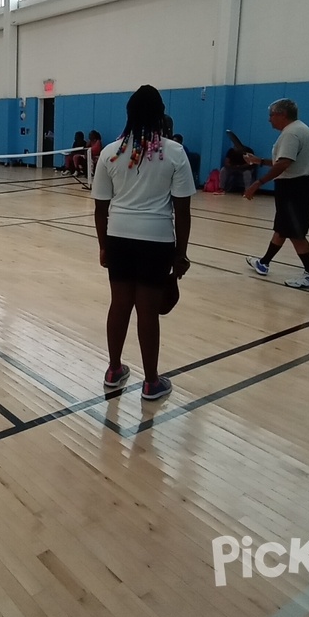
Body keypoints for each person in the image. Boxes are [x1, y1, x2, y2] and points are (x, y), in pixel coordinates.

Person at [92, 85, 194, 401]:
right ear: (161, 114)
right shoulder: (174, 153)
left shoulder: (109, 153)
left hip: (119, 238)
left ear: (129, 114)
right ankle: (151, 383)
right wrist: (181, 254)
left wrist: (104, 246)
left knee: (119, 304)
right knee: (147, 310)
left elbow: (100, 208)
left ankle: (113, 370)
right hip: (156, 241)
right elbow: (182, 210)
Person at [243, 98, 309, 288]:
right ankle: (263, 263)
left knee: (295, 232)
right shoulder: (300, 129)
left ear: (282, 114)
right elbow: (285, 160)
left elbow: (284, 164)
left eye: (271, 115)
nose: (269, 119)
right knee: (282, 227)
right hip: (300, 185)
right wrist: (260, 161)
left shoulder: (292, 133)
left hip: (296, 188)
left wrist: (258, 183)